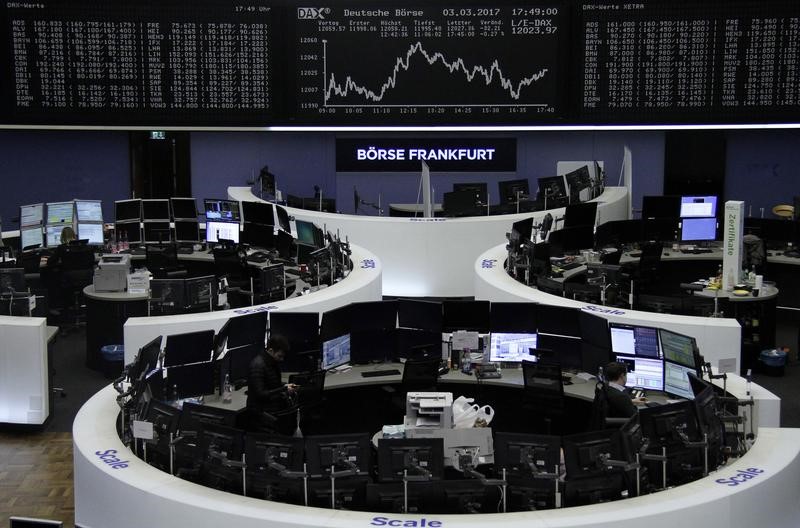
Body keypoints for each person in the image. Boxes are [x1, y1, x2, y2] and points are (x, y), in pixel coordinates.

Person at [246, 334, 298, 434]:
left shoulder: (271, 362)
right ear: (270, 351)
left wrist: (284, 386)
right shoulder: (257, 366)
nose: (281, 359)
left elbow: (272, 385)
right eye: (279, 356)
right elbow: (260, 394)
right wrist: (283, 389)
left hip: (272, 408)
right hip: (262, 413)